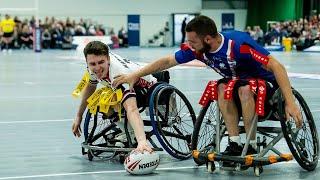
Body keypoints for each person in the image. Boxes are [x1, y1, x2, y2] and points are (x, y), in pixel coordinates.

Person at [113, 15, 302, 156]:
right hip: (235, 87)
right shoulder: (198, 50)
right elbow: (167, 61)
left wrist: (290, 102)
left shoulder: (239, 45)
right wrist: (134, 75)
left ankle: (250, 145)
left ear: (208, 40)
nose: (189, 45)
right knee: (221, 87)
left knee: (245, 88)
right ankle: (235, 143)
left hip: (265, 87)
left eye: (192, 41)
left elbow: (277, 66)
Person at [72, 41, 157, 153]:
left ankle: (136, 137)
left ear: (108, 59)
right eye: (92, 64)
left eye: (101, 62)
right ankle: (129, 132)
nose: (97, 68)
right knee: (99, 101)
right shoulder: (92, 68)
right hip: (119, 86)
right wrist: (79, 115)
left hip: (146, 88)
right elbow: (90, 87)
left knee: (113, 102)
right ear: (87, 62)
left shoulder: (118, 73)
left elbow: (132, 109)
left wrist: (142, 141)